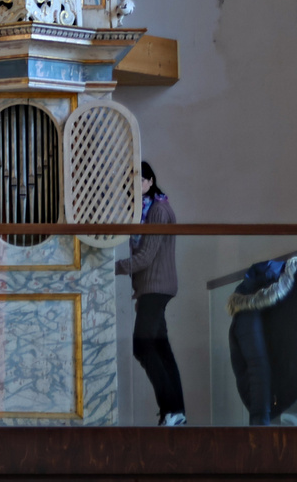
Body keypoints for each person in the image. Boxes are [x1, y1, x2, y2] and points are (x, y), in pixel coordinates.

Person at [115, 161, 186, 425]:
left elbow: (145, 257)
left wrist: (112, 268)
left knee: (141, 346)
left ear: (149, 181)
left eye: (138, 181)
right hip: (151, 288)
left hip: (157, 287)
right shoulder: (146, 210)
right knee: (160, 349)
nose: (133, 187)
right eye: (129, 184)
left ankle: (171, 409)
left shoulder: (157, 210)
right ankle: (176, 412)